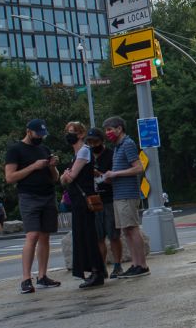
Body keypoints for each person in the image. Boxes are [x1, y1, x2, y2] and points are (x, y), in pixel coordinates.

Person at [4, 118, 62, 294]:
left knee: (45, 236)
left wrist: (52, 167)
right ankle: (25, 279)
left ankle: (43, 276)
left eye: (43, 134)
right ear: (28, 131)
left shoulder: (44, 149)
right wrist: (33, 167)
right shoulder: (15, 150)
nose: (40, 138)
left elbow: (55, 178)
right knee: (32, 235)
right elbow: (10, 177)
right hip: (29, 196)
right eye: (38, 134)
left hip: (48, 195)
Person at [59, 121, 106, 289]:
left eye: (71, 132)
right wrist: (65, 176)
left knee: (88, 236)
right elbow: (63, 179)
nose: (68, 135)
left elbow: (69, 178)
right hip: (78, 201)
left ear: (80, 134)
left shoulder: (84, 152)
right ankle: (92, 271)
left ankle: (97, 271)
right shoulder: (77, 154)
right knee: (82, 236)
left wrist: (66, 175)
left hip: (84, 201)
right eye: (67, 131)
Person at [103, 117, 149, 278]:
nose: (107, 133)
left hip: (128, 194)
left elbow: (138, 168)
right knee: (126, 230)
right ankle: (135, 264)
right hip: (119, 193)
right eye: (106, 130)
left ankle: (142, 265)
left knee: (132, 228)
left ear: (119, 128)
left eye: (110, 129)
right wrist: (110, 178)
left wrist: (115, 173)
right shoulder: (117, 147)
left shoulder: (128, 144)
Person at [87, 128, 123, 278]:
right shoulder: (86, 156)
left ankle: (117, 265)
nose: (92, 145)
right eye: (89, 142)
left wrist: (99, 174)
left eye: (95, 141)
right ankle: (102, 268)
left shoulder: (111, 155)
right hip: (93, 200)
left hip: (109, 198)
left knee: (113, 235)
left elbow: (113, 178)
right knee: (98, 237)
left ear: (101, 141)